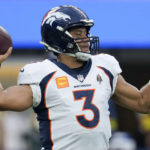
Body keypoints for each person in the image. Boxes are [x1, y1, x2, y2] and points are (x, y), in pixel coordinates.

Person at [0, 5, 150, 150]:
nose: (85, 38)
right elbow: (2, 100)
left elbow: (142, 102)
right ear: (58, 37)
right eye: (78, 34)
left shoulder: (104, 66)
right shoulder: (42, 73)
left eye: (86, 33)